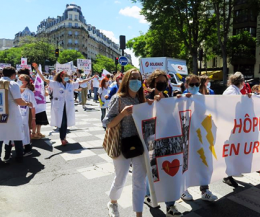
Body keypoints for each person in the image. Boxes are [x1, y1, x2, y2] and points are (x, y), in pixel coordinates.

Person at [103, 69, 148, 217]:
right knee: (121, 178)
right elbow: (108, 123)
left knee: (139, 181)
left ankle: (139, 214)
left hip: (140, 144)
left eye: (138, 78)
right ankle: (113, 202)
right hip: (121, 144)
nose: (136, 81)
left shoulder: (142, 100)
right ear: (126, 80)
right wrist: (122, 114)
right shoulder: (119, 98)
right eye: (132, 78)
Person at [143, 69, 184, 216]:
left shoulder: (167, 95)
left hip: (168, 138)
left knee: (168, 172)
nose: (162, 84)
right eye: (159, 81)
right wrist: (151, 102)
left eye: (164, 81)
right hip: (152, 139)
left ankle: (170, 205)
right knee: (152, 169)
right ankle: (149, 195)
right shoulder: (146, 96)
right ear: (153, 82)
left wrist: (181, 99)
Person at [34, 64, 96, 146]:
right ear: (61, 77)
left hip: (68, 106)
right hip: (59, 106)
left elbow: (81, 82)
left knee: (65, 123)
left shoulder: (70, 84)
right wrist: (37, 70)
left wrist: (91, 78)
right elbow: (44, 79)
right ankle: (62, 138)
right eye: (64, 76)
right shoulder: (55, 84)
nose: (66, 77)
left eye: (67, 76)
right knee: (62, 122)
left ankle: (64, 138)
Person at [180, 74, 218, 202]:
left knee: (203, 161)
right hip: (186, 137)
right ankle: (183, 189)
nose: (195, 87)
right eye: (192, 84)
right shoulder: (181, 98)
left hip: (200, 135)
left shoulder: (203, 98)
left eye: (197, 84)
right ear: (186, 85)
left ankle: (204, 190)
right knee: (186, 161)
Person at [222, 71, 252, 187]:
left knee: (233, 150)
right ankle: (227, 175)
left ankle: (230, 173)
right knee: (229, 151)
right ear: (241, 81)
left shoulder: (235, 90)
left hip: (234, 126)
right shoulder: (231, 91)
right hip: (230, 126)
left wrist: (246, 97)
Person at [0, 67, 33, 163]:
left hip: (0, 113)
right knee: (17, 134)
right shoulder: (13, 84)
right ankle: (19, 157)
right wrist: (27, 103)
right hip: (12, 114)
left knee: (0, 136)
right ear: (13, 75)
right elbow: (18, 101)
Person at [17, 74, 37, 156]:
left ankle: (28, 149)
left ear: (25, 82)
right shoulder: (17, 91)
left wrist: (33, 119)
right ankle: (20, 147)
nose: (18, 81)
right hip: (17, 115)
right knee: (19, 131)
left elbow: (33, 106)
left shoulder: (29, 93)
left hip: (26, 115)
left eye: (20, 80)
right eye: (18, 79)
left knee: (25, 131)